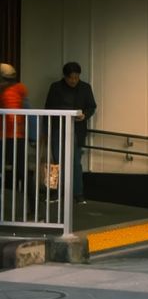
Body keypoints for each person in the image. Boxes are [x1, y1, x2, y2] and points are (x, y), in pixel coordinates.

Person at [45, 62, 97, 201]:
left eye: (76, 77)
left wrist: (84, 115)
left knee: (75, 162)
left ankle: (78, 193)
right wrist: (45, 131)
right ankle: (54, 191)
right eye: (71, 78)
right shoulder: (55, 87)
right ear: (65, 76)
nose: (74, 80)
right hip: (57, 127)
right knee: (55, 161)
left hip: (77, 129)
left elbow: (92, 107)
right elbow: (48, 108)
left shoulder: (85, 87)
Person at [0, 62, 29, 196]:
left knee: (21, 170)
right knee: (21, 170)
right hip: (13, 135)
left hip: (12, 135)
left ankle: (31, 202)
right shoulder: (19, 89)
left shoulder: (13, 91)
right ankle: (31, 203)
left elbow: (16, 114)